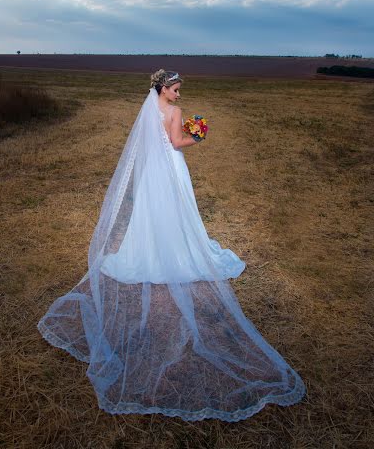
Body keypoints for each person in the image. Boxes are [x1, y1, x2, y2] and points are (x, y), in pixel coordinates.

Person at [38, 69, 306, 421]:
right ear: (164, 88)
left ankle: (149, 248)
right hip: (172, 168)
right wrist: (200, 136)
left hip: (152, 172)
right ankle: (178, 249)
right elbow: (177, 144)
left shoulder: (148, 109)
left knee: (151, 213)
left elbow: (150, 144)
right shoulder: (176, 114)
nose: (179, 95)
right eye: (176, 89)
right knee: (179, 210)